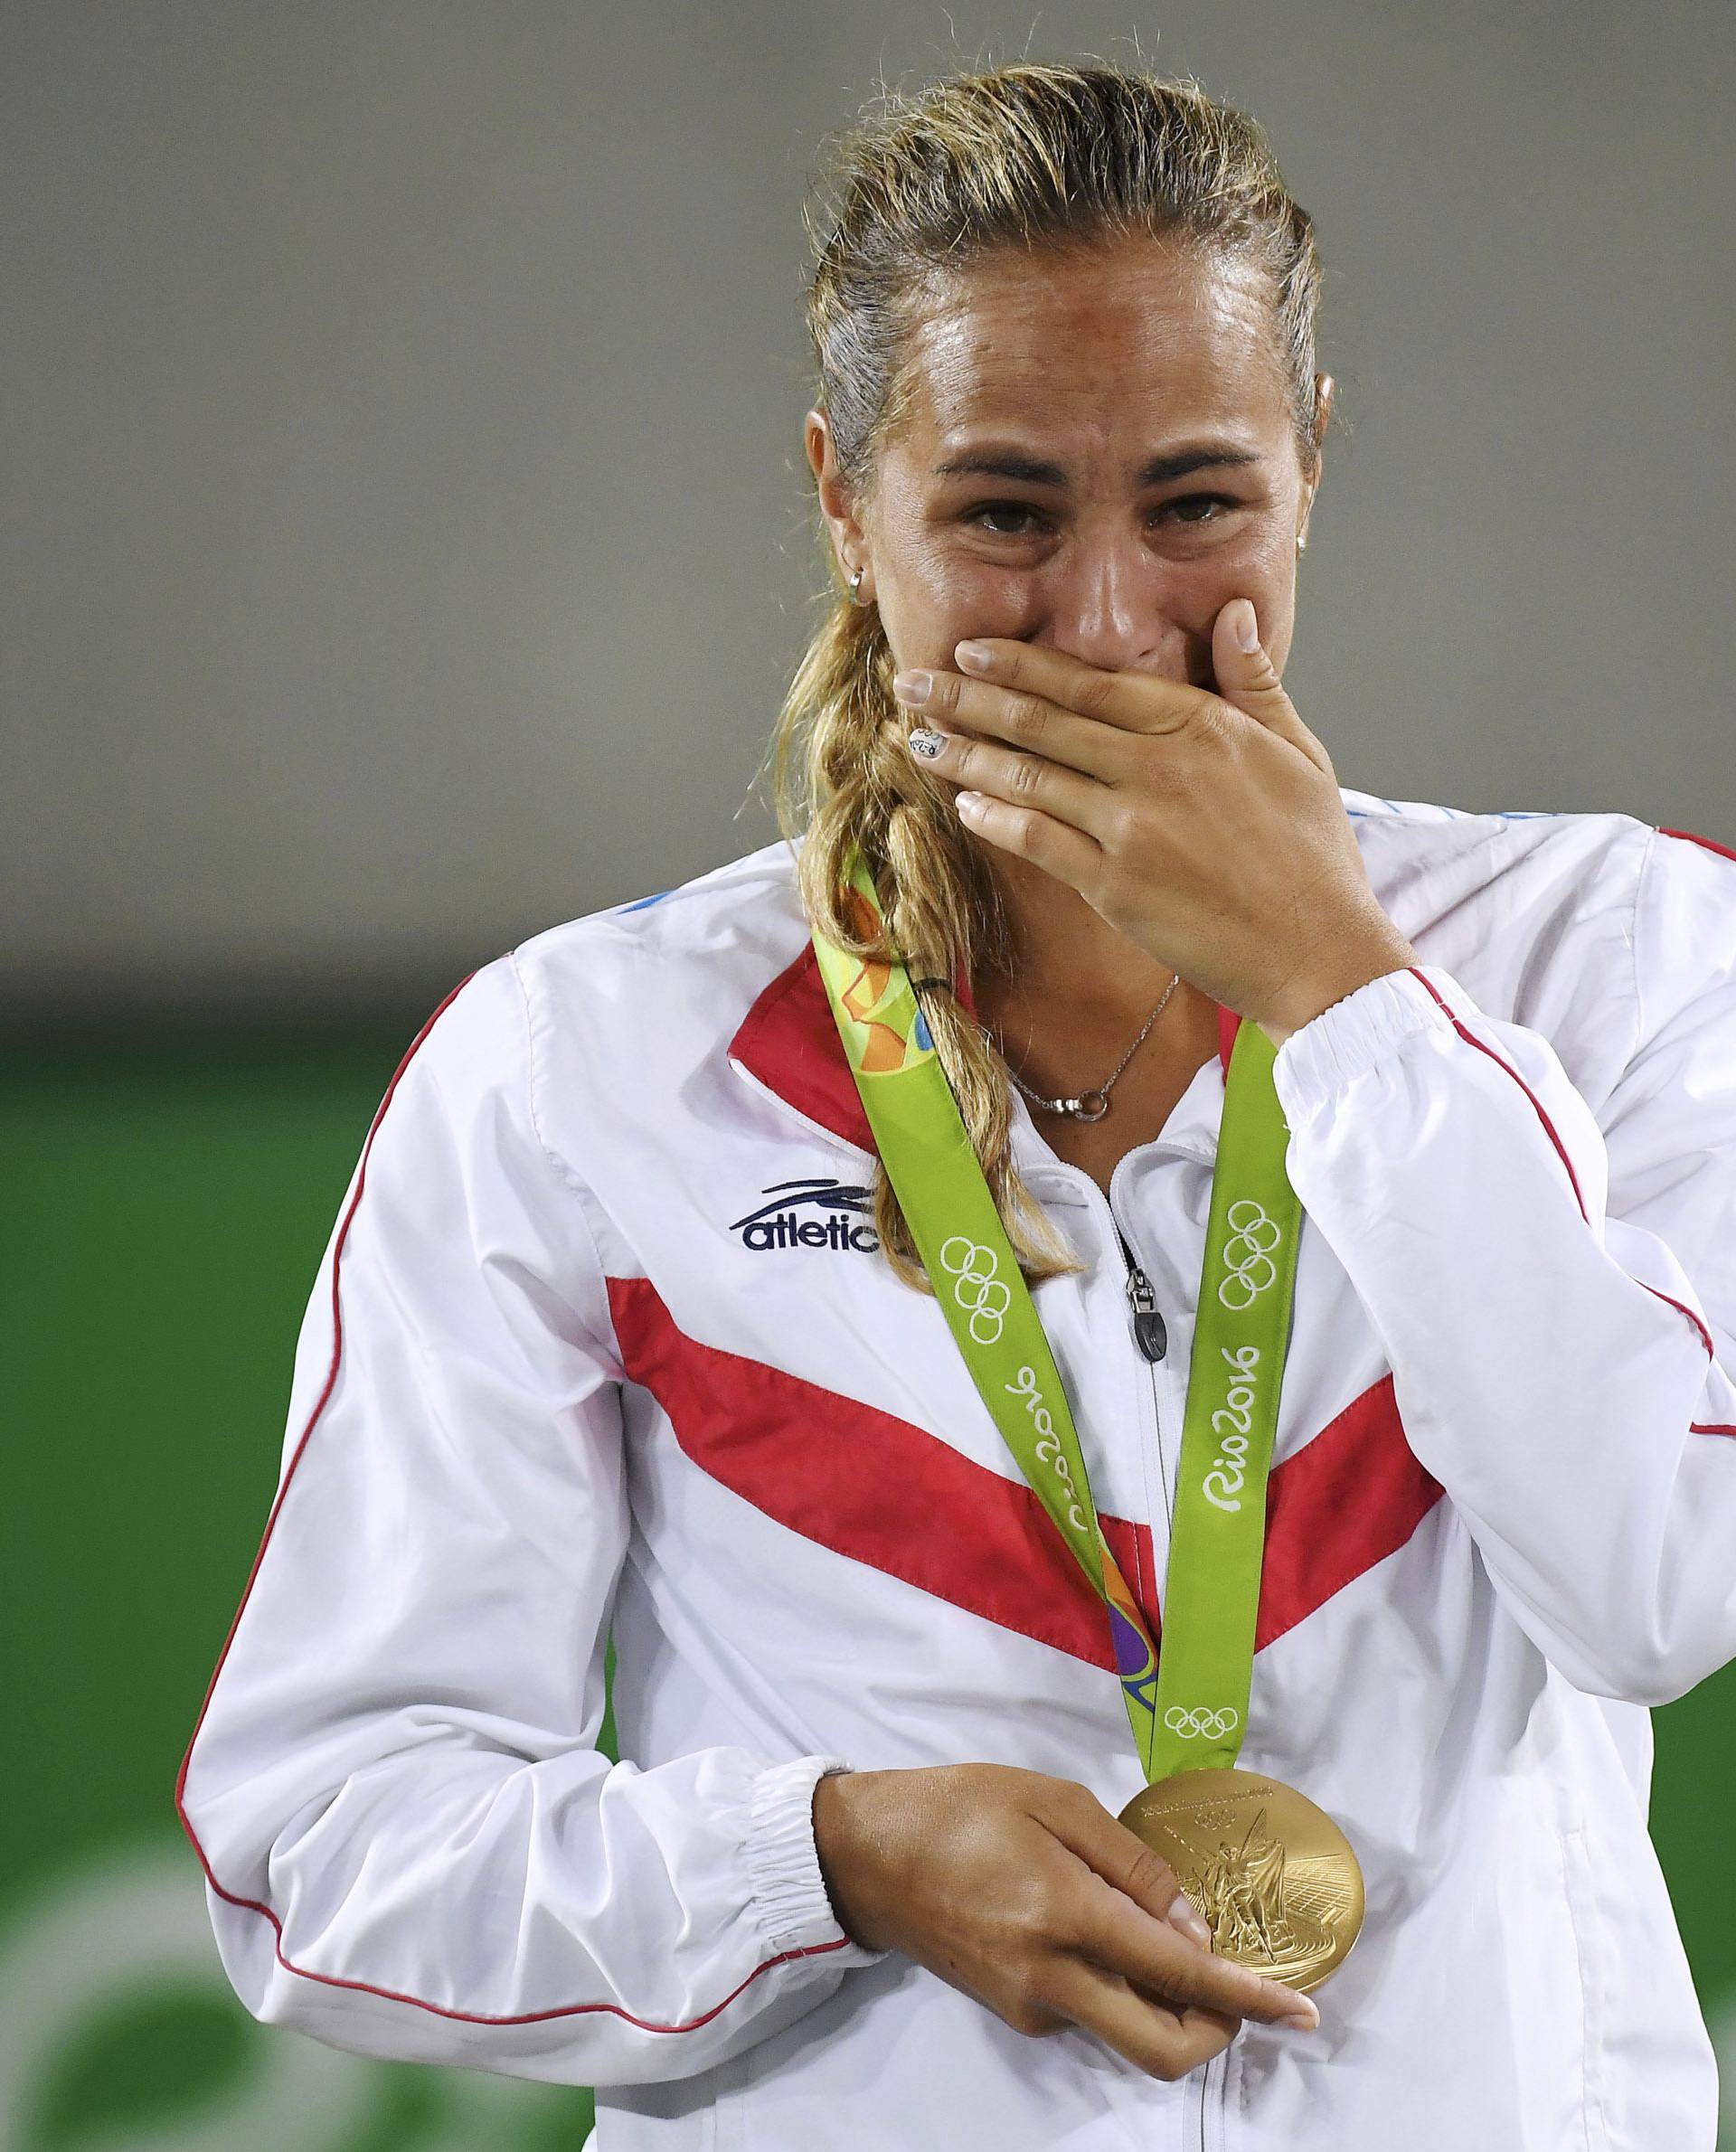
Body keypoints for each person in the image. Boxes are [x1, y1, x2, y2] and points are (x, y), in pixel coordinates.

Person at [175, 59, 1736, 2148]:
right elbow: (329, 1838)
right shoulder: (581, 1072)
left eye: (1198, 503)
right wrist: (822, 1856)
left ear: (1315, 461)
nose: (1104, 623)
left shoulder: (1615, 954)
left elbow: (1658, 1575)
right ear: (843, 494)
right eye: (1004, 510)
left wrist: (1346, 996)